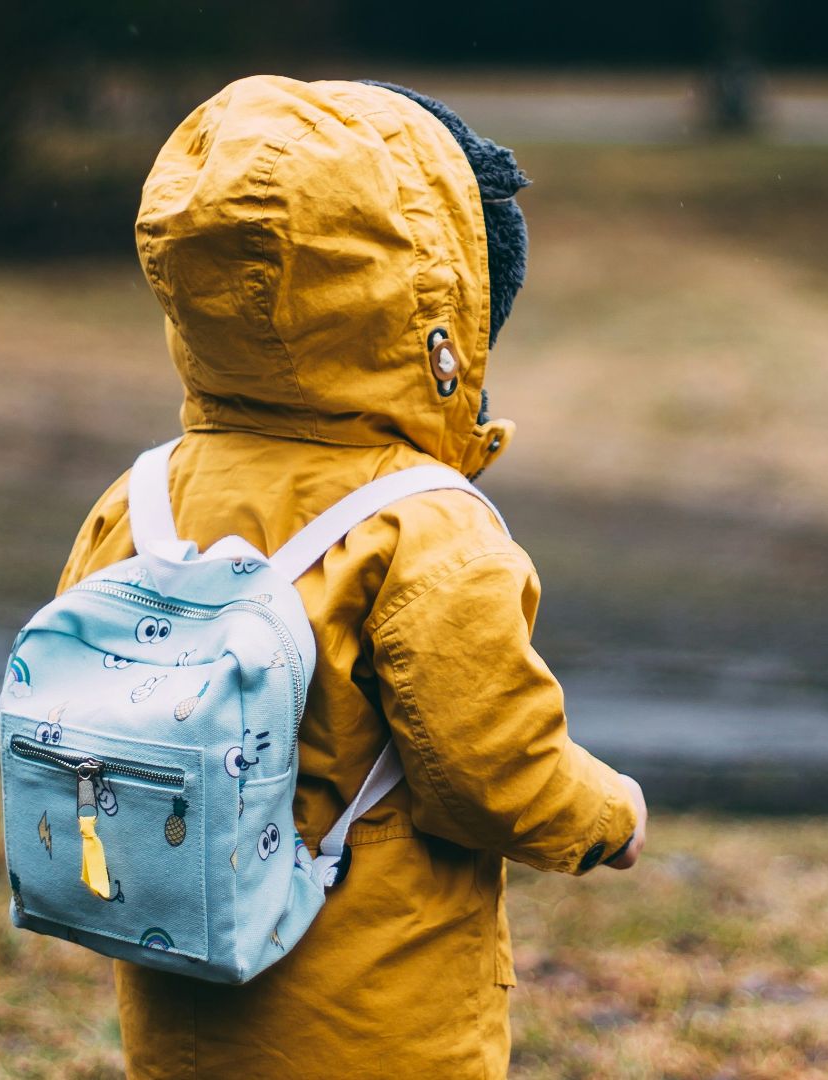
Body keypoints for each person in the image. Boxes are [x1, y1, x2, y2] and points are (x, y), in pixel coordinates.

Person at [55, 74, 648, 1079]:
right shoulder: (423, 530)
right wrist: (610, 814)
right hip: (378, 1024)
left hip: (181, 999)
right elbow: (490, 773)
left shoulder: (144, 496)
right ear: (438, 306)